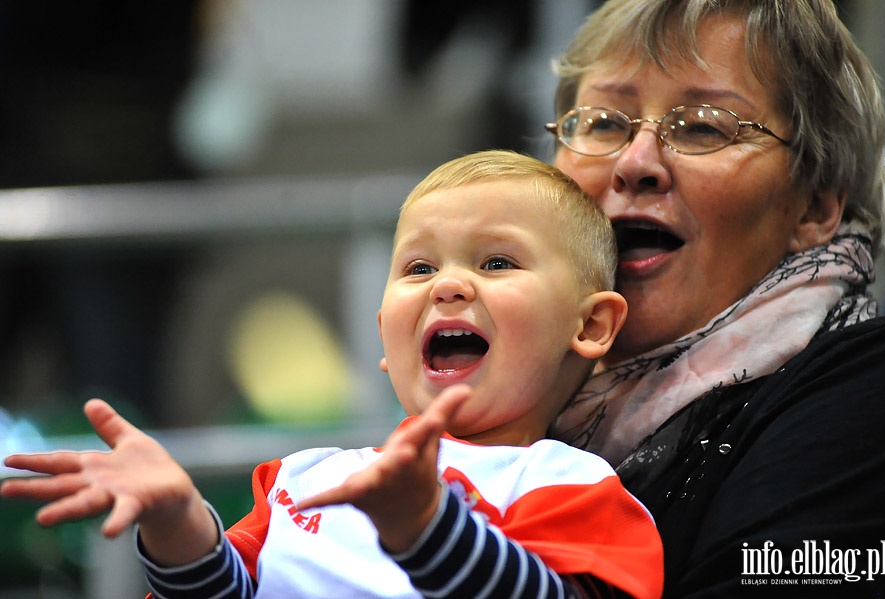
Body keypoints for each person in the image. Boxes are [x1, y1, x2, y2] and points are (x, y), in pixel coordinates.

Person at [2, 150, 664, 599]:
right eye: (419, 268)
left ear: (592, 326)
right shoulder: (302, 475)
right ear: (385, 334)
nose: (449, 286)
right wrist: (177, 523)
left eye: (496, 263)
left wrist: (427, 529)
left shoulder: (572, 485)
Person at [542, 1, 885, 597]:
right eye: (604, 122)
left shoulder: (871, 392)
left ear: (815, 205)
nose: (634, 162)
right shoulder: (510, 405)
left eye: (704, 126)